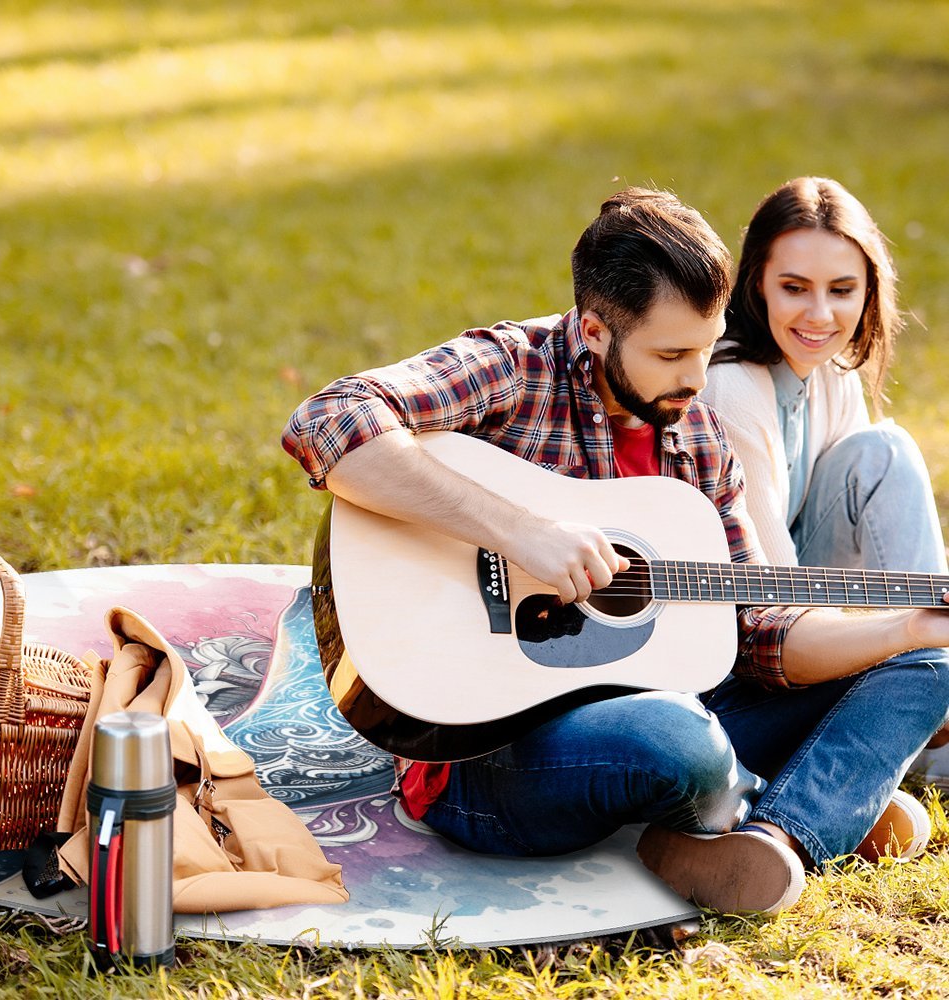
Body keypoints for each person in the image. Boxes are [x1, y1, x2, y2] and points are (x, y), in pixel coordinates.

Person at [282, 187, 949, 916]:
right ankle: (808, 795)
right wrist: (518, 530)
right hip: (486, 754)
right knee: (677, 741)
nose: (697, 380)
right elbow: (329, 419)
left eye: (706, 346)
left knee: (929, 665)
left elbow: (758, 629)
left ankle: (780, 836)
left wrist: (905, 628)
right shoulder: (513, 367)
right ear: (595, 330)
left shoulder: (697, 436)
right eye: (671, 354)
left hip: (672, 709)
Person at [702, 176, 949, 791]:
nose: (820, 315)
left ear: (869, 291)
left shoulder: (831, 371)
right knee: (886, 451)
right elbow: (773, 602)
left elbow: (870, 536)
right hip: (745, 648)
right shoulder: (732, 385)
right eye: (794, 288)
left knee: (880, 451)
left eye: (842, 290)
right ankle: (925, 708)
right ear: (756, 281)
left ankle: (927, 695)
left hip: (811, 609)